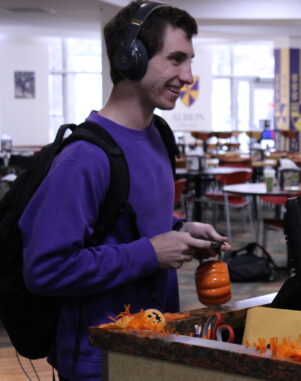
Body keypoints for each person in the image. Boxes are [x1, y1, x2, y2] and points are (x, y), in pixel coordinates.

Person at [18, 2, 229, 380]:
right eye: (176, 59)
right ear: (131, 58)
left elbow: (125, 221)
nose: (188, 75)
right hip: (99, 362)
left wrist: (180, 229)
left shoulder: (158, 137)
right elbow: (45, 270)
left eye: (190, 61)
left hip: (154, 348)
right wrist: (149, 253)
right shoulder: (84, 159)